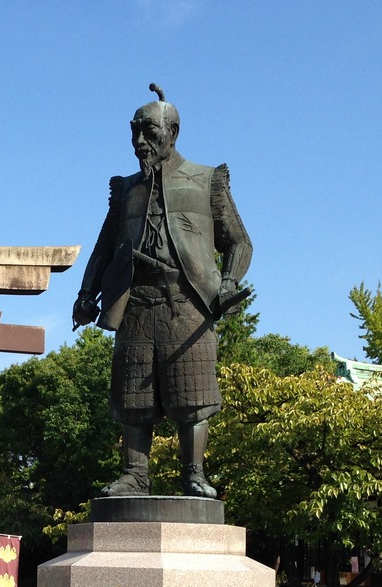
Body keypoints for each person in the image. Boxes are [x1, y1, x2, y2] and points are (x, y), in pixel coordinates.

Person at [72, 83, 252, 498]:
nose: (139, 142)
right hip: (134, 303)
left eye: (149, 132)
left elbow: (239, 242)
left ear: (173, 132)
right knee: (133, 399)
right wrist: (86, 294)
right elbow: (104, 248)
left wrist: (228, 282)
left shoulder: (206, 181)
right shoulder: (127, 189)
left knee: (193, 396)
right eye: (134, 132)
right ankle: (135, 474)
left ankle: (194, 473)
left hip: (188, 304)